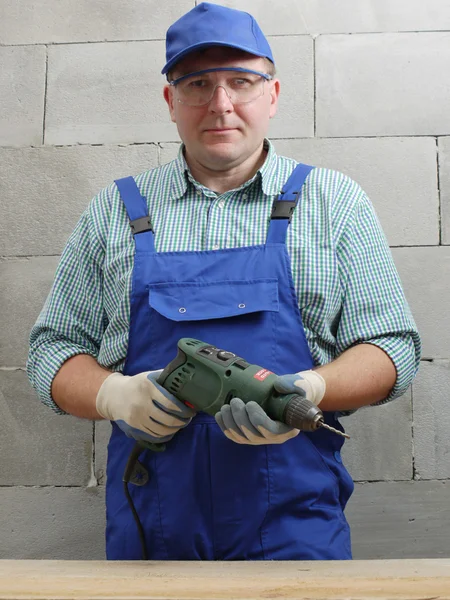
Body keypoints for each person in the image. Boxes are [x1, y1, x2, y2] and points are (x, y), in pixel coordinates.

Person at [27, 2, 421, 561]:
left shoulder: (335, 203)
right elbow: (50, 352)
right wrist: (114, 395)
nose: (222, 104)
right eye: (197, 84)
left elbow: (394, 351)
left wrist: (311, 389)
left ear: (273, 95)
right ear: (170, 100)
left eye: (242, 81)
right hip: (150, 534)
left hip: (296, 534)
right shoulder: (113, 211)